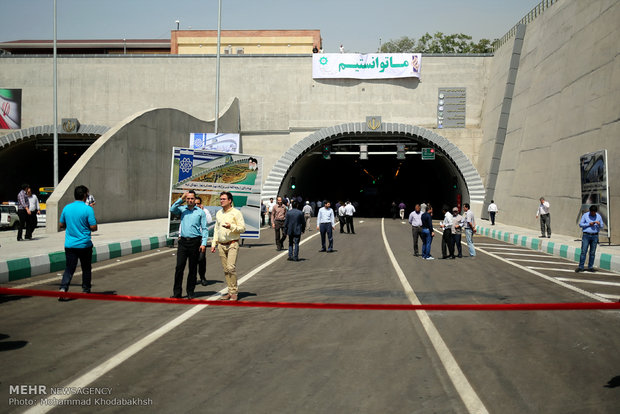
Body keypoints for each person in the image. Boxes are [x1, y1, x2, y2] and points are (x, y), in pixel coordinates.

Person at [58, 185, 97, 300]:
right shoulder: (88, 209)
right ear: (84, 195)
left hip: (70, 245)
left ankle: (63, 288)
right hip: (84, 245)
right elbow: (93, 227)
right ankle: (85, 289)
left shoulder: (67, 208)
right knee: (86, 268)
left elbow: (61, 225)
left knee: (69, 268)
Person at [170, 191, 208, 299]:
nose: (190, 200)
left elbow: (204, 229)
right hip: (183, 243)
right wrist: (181, 198)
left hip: (195, 242)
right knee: (179, 268)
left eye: (192, 199)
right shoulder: (182, 210)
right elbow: (172, 209)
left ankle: (190, 292)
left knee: (192, 268)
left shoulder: (200, 212)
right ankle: (177, 293)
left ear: (195, 199)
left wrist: (204, 244)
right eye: (188, 199)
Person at [211, 191, 245, 301]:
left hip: (232, 243)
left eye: (223, 199)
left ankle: (234, 292)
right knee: (226, 270)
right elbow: (216, 229)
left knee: (231, 267)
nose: (221, 201)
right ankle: (230, 291)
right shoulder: (219, 213)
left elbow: (242, 228)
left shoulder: (236, 213)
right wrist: (213, 243)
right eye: (220, 199)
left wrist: (231, 227)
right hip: (221, 244)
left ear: (230, 201)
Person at [575, 205, 604, 273]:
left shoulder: (598, 216)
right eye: (592, 212)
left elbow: (602, 226)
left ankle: (590, 267)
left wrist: (599, 224)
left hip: (595, 236)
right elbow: (580, 224)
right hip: (586, 235)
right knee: (583, 251)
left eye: (594, 212)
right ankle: (581, 267)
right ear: (590, 211)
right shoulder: (585, 215)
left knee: (592, 252)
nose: (593, 214)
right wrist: (588, 224)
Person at [195, 196, 213, 286]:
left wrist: (203, 211)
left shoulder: (204, 212)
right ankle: (193, 278)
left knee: (201, 259)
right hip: (192, 239)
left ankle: (202, 277)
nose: (196, 205)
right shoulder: (189, 211)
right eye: (195, 204)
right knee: (192, 260)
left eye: (198, 203)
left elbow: (209, 221)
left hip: (201, 239)